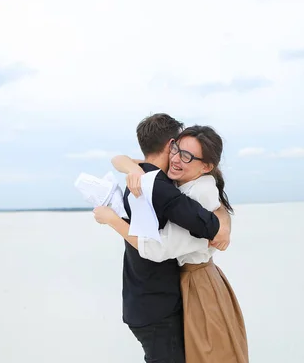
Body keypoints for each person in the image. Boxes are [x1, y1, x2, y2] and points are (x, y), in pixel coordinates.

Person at [95, 125, 248, 363]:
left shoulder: (198, 194)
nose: (177, 159)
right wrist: (133, 169)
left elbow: (158, 249)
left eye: (187, 156)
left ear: (206, 166)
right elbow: (119, 159)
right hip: (187, 283)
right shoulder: (180, 180)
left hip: (200, 286)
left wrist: (112, 220)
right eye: (177, 150)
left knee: (209, 356)